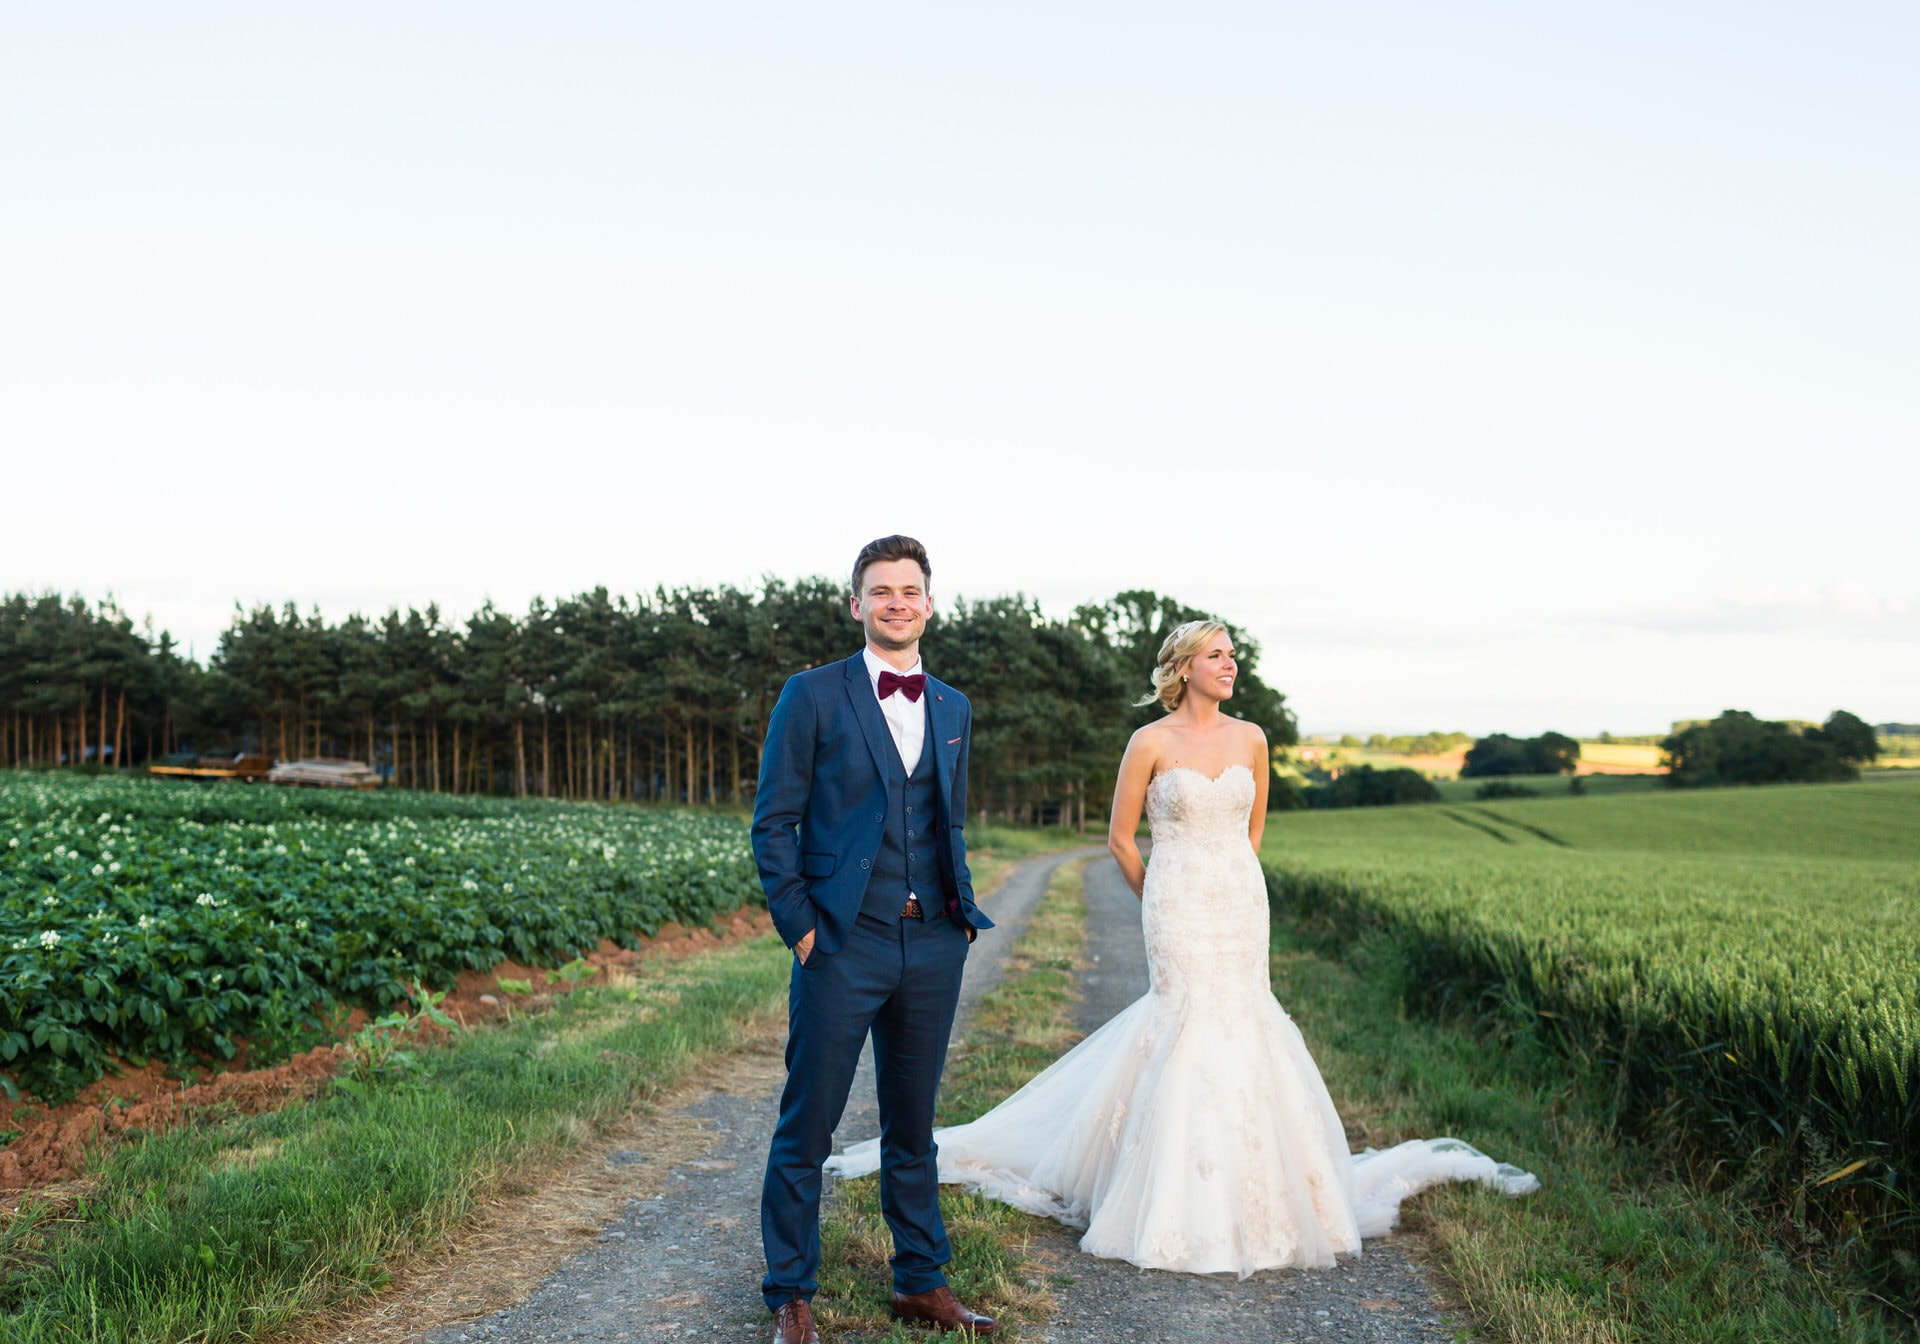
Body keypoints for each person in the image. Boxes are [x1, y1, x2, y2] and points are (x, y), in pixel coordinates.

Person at [828, 619, 1536, 1277]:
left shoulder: (1253, 737)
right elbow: (1118, 839)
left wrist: (1230, 881)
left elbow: (1253, 830)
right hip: (1175, 904)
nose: (1230, 665)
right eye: (1217, 655)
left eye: (1232, 655)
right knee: (1186, 1020)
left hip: (1238, 900)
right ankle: (1170, 1196)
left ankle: (1259, 1190)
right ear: (1185, 668)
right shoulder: (1150, 742)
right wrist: (1161, 895)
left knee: (1247, 1017)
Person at [752, 535, 1000, 1343]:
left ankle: (920, 1283)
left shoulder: (954, 706)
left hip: (932, 943)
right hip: (840, 943)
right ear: (855, 604)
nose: (897, 601)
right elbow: (774, 823)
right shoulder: (812, 694)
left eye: (910, 589)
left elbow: (946, 820)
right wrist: (802, 931)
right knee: (809, 1122)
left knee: (912, 1123)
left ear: (930, 602)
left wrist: (958, 917)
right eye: (880, 590)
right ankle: (790, 1292)